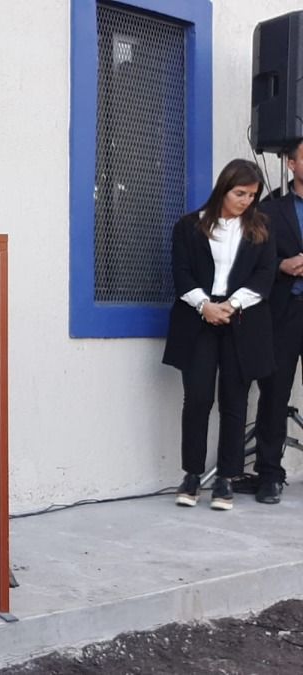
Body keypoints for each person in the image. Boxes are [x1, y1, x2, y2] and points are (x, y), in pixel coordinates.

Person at [163, 159, 275, 510]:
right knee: (196, 399)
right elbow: (181, 273)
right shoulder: (189, 227)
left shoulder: (261, 228)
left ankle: (227, 477)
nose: (246, 200)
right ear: (223, 188)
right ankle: (192, 475)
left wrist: (232, 305)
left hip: (241, 321)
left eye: (252, 195)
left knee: (235, 401)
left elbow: (264, 274)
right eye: (240, 193)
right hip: (198, 320)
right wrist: (205, 306)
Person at [250, 139, 303, 504]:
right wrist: (282, 268)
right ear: (290, 164)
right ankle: (269, 474)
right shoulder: (270, 209)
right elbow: (253, 265)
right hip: (284, 314)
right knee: (274, 392)